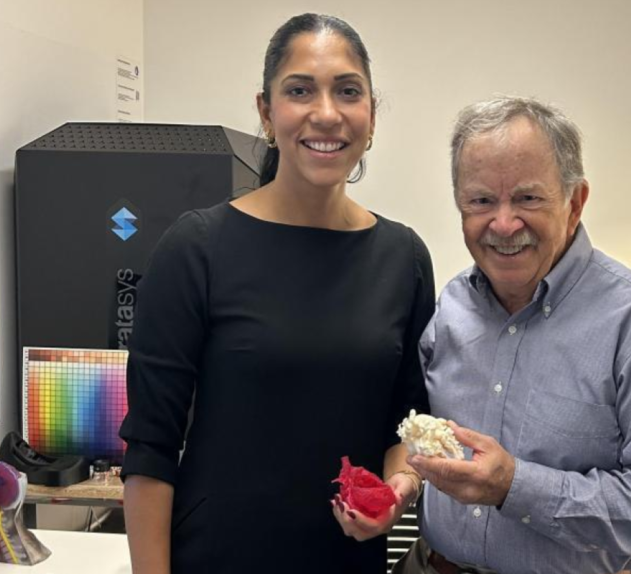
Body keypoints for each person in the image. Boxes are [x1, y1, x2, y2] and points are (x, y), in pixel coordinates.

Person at [119, 13, 432, 574]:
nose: (327, 113)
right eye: (299, 91)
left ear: (372, 116)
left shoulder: (403, 258)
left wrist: (398, 493)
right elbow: (150, 451)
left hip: (347, 562)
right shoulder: (197, 248)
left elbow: (406, 425)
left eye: (348, 91)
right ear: (266, 112)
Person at [397, 97, 631, 574]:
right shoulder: (451, 308)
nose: (504, 224)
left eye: (528, 198)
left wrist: (515, 485)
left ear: (575, 202)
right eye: (481, 200)